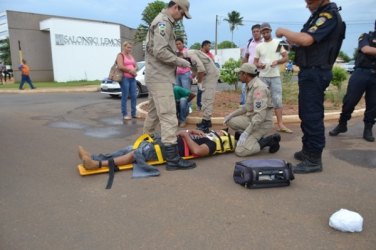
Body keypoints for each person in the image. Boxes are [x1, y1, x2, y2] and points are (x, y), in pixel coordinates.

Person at [276, 0, 345, 173]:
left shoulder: (328, 16)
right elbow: (303, 42)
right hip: (310, 72)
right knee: (306, 114)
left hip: (316, 72)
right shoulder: (316, 17)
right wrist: (289, 44)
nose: (308, 5)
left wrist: (283, 30)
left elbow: (306, 39)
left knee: (312, 115)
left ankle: (314, 159)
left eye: (311, 2)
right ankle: (307, 151)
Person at [143, 0, 196, 171]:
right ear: (175, 7)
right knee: (168, 115)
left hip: (157, 75)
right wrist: (181, 62)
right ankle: (172, 159)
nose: (181, 18)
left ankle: (145, 143)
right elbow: (160, 51)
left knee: (153, 112)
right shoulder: (163, 23)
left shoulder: (164, 22)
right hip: (160, 76)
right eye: (182, 14)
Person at [78, 129, 228, 170]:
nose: (217, 131)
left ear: (222, 137)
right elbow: (178, 135)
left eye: (221, 132)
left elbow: (197, 152)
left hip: (168, 151)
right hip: (166, 143)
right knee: (131, 147)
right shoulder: (203, 135)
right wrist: (191, 132)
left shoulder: (212, 144)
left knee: (135, 153)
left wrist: (185, 135)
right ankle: (94, 156)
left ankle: (95, 164)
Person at [329, 21, 376, 142]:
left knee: (373, 105)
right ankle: (342, 124)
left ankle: (368, 129)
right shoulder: (366, 36)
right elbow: (366, 49)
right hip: (361, 72)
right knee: (350, 101)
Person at [224, 63, 281, 156]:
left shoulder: (259, 89)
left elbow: (260, 117)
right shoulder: (250, 85)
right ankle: (252, 137)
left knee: (240, 151)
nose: (239, 76)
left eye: (240, 73)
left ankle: (269, 140)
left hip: (261, 124)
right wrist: (230, 115)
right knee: (230, 121)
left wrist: (246, 133)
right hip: (251, 119)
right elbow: (247, 107)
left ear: (245, 74)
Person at [254, 22, 291, 134]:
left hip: (275, 76)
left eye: (267, 31)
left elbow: (286, 57)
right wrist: (259, 65)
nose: (265, 34)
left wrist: (277, 61)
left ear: (270, 31)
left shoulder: (279, 42)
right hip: (263, 76)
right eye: (263, 32)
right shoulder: (259, 46)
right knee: (260, 100)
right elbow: (255, 61)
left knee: (277, 100)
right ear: (261, 33)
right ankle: (260, 124)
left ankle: (280, 124)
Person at [185, 49, 220, 133]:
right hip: (207, 74)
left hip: (211, 74)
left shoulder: (190, 55)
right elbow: (194, 70)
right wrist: (193, 78)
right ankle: (206, 120)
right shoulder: (187, 58)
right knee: (204, 99)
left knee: (207, 98)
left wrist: (199, 83)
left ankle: (206, 123)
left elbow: (201, 69)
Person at [241, 24, 262, 105]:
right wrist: (242, 69)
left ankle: (257, 110)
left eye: (257, 31)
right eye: (254, 32)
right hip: (249, 72)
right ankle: (245, 108)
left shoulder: (264, 42)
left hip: (261, 72)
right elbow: (245, 57)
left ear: (260, 32)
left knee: (258, 92)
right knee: (245, 90)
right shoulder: (249, 43)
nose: (256, 33)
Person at [117, 41, 138, 120]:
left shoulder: (131, 56)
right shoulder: (120, 55)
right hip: (124, 78)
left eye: (131, 48)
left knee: (134, 96)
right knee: (125, 96)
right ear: (124, 47)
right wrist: (130, 71)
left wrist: (134, 70)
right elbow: (120, 66)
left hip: (132, 78)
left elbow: (136, 66)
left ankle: (133, 114)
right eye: (128, 47)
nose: (129, 49)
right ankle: (125, 114)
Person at [196, 40, 215, 110]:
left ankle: (205, 105)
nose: (210, 47)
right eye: (209, 46)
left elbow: (213, 64)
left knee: (207, 91)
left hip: (208, 76)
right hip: (201, 75)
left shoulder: (210, 54)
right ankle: (199, 105)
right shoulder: (198, 54)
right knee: (199, 91)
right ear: (204, 46)